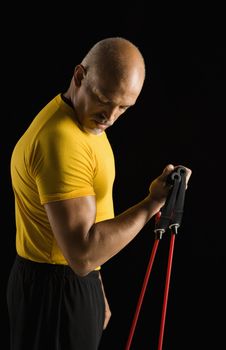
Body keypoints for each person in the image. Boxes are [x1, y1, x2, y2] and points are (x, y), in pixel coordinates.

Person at [7, 37, 192, 350]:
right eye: (104, 100)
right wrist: (152, 204)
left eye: (123, 107)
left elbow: (89, 225)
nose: (111, 116)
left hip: (69, 284)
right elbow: (81, 255)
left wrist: (97, 288)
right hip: (55, 292)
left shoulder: (85, 124)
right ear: (80, 76)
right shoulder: (62, 142)